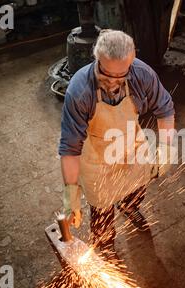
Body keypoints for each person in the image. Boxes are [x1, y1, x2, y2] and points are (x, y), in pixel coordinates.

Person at [59, 29, 175, 255]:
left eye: (121, 76)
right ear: (96, 58)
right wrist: (71, 193)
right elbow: (70, 147)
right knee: (102, 211)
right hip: (96, 155)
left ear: (131, 63)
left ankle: (129, 206)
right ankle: (105, 248)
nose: (113, 82)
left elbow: (165, 109)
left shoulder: (143, 74)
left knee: (138, 186)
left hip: (131, 144)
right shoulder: (80, 90)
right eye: (106, 74)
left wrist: (166, 149)